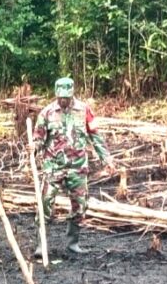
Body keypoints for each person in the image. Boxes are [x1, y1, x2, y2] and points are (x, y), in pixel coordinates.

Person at [33, 77, 115, 255]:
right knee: (45, 204)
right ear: (56, 95)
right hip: (53, 167)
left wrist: (106, 159)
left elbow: (96, 136)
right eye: (61, 98)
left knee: (80, 205)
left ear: (72, 95)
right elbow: (38, 139)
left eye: (67, 98)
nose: (64, 101)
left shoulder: (84, 110)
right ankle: (41, 245)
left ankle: (72, 243)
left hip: (78, 167)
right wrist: (33, 148)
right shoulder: (46, 113)